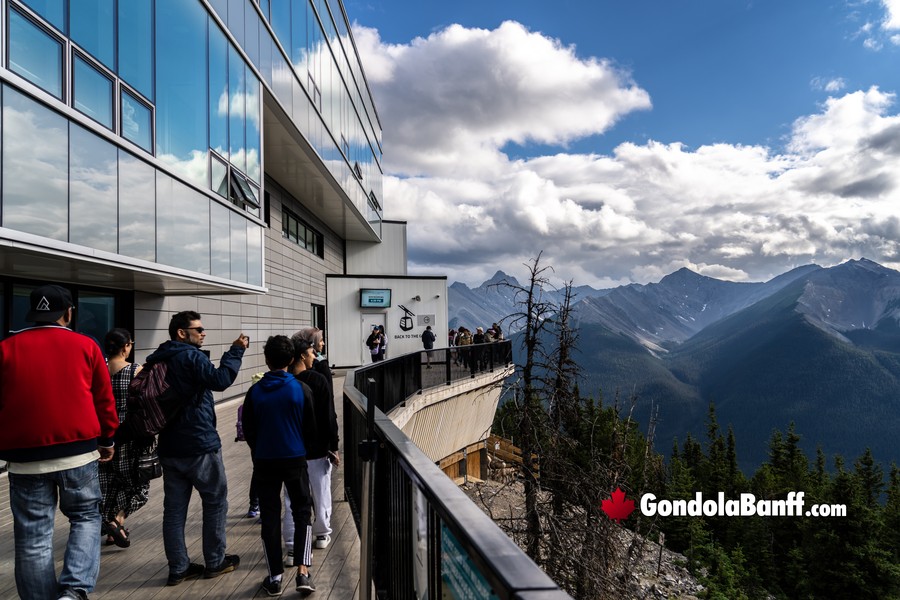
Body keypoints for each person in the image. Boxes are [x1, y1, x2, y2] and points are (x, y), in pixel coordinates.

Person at [0, 284, 118, 600]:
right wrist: (107, 439)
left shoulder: (6, 348)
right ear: (68, 313)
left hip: (24, 460)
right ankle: (73, 591)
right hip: (78, 454)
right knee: (85, 518)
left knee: (33, 537)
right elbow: (104, 399)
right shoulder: (87, 346)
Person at [146, 310, 249, 586]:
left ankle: (178, 568)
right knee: (215, 501)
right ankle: (215, 561)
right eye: (199, 329)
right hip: (199, 443)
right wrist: (235, 351)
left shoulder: (160, 358)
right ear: (182, 333)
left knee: (174, 510)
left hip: (169, 446)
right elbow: (221, 380)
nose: (203, 333)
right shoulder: (189, 356)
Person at [242, 336, 318, 596]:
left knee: (270, 517)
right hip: (295, 458)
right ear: (291, 360)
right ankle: (303, 572)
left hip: (264, 460)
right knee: (302, 513)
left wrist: (259, 449)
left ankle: (274, 576)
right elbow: (311, 429)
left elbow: (249, 429)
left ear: (266, 360)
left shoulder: (255, 391)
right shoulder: (301, 389)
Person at [287, 338, 339, 554]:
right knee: (321, 491)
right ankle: (321, 534)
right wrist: (334, 445)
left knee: (292, 498)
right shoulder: (317, 380)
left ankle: (292, 544)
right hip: (317, 447)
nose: (314, 356)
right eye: (311, 353)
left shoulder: (286, 380)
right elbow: (328, 415)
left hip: (291, 450)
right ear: (302, 355)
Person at [99, 328, 149, 549]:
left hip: (101, 437)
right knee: (139, 486)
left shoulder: (97, 370)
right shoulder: (136, 371)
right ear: (125, 346)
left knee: (109, 487)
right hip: (128, 437)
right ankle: (116, 521)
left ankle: (112, 531)